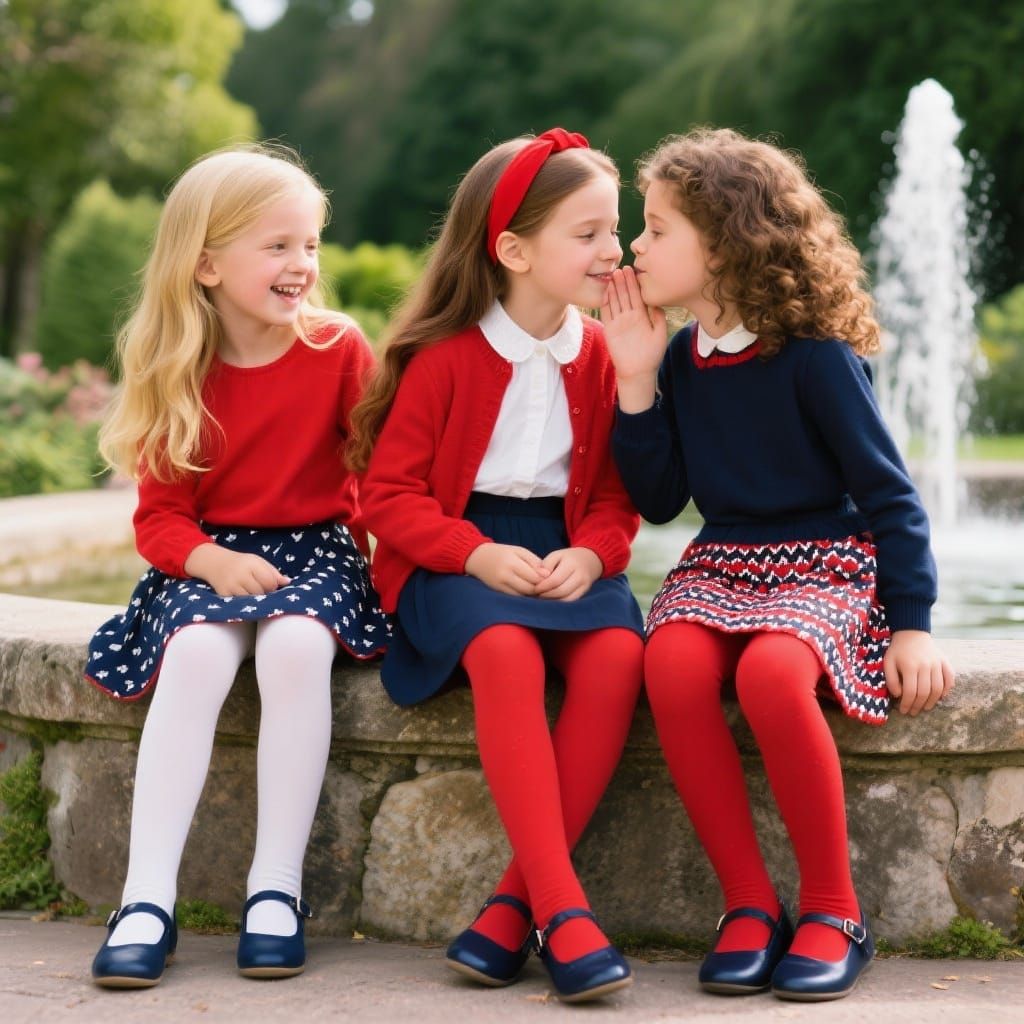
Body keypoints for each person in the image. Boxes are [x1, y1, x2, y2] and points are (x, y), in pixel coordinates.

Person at [603, 127, 954, 1002]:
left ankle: (835, 912)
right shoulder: (682, 358)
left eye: (654, 229)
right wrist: (637, 381)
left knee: (769, 673)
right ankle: (750, 907)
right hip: (723, 558)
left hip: (827, 559)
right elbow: (659, 499)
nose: (633, 246)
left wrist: (911, 624)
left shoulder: (813, 353)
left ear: (722, 241)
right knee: (672, 664)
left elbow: (892, 498)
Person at [349, 129, 644, 1003]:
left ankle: (513, 910)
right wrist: (472, 552)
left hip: (566, 554)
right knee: (507, 654)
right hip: (449, 555)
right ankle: (565, 908)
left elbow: (616, 498)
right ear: (514, 249)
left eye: (615, 229)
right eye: (586, 234)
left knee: (621, 658)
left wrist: (594, 553)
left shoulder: (597, 355)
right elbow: (386, 498)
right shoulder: (442, 359)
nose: (614, 250)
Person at [85, 144, 388, 988]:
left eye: (310, 245)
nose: (303, 265)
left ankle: (275, 892)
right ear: (207, 264)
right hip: (206, 556)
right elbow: (159, 520)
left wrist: (389, 576)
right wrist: (211, 562)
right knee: (195, 654)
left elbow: (368, 483)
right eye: (279, 246)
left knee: (295, 649)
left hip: (318, 552)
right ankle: (146, 899)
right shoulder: (175, 363)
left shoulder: (337, 348)